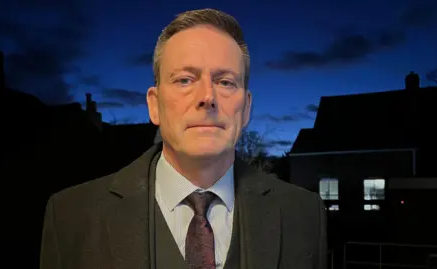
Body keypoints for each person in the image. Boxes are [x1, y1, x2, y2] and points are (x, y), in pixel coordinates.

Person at [40, 8, 327, 269]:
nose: (207, 97)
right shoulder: (71, 217)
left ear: (247, 107)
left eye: (225, 81)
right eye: (185, 80)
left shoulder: (303, 215)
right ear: (154, 105)